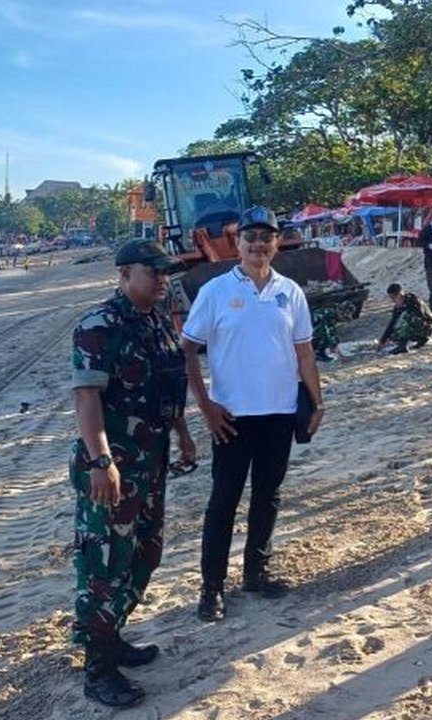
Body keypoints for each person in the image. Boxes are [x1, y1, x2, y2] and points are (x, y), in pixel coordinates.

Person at [69, 239, 198, 707]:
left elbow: (169, 386)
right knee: (104, 565)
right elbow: (87, 399)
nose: (163, 280)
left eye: (166, 272)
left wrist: (182, 433)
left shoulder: (156, 323)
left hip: (151, 460)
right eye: (153, 271)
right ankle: (97, 667)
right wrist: (102, 462)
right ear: (124, 274)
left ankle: (113, 636)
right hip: (112, 466)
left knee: (145, 553)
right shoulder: (99, 326)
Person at [181, 206, 325, 622]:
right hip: (232, 417)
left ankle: (255, 573)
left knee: (268, 497)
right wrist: (205, 406)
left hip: (279, 413)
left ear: (277, 242)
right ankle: (211, 589)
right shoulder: (215, 292)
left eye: (267, 237)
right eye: (251, 238)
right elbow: (188, 350)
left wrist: (317, 401)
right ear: (239, 243)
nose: (259, 245)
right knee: (223, 502)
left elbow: (304, 351)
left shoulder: (290, 291)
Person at [377, 283, 432, 354]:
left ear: (400, 295)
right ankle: (420, 339)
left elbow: (420, 317)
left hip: (427, 327)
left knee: (407, 317)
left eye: (393, 298)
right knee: (394, 333)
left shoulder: (413, 301)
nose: (392, 300)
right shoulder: (399, 306)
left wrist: (404, 307)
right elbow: (392, 323)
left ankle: (403, 346)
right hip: (418, 326)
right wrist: (383, 340)